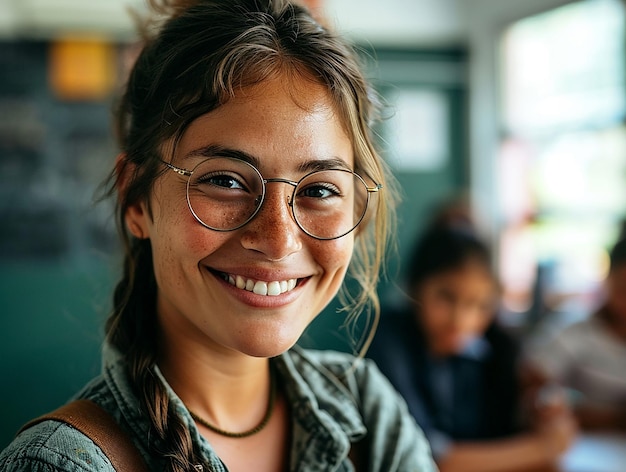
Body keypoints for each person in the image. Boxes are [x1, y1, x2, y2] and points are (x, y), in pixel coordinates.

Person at [0, 1, 437, 471]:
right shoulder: (65, 463)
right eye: (225, 180)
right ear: (135, 201)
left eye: (320, 190)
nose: (278, 239)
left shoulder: (366, 414)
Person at [367, 222, 577, 472]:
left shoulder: (496, 346)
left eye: (480, 304)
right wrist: (540, 448)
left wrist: (540, 413)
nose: (461, 320)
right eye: (446, 297)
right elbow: (424, 458)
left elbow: (503, 429)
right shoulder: (388, 341)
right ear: (415, 288)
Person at [524, 232, 626, 432]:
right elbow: (534, 392)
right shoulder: (571, 328)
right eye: (624, 289)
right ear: (608, 278)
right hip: (588, 448)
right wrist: (613, 419)